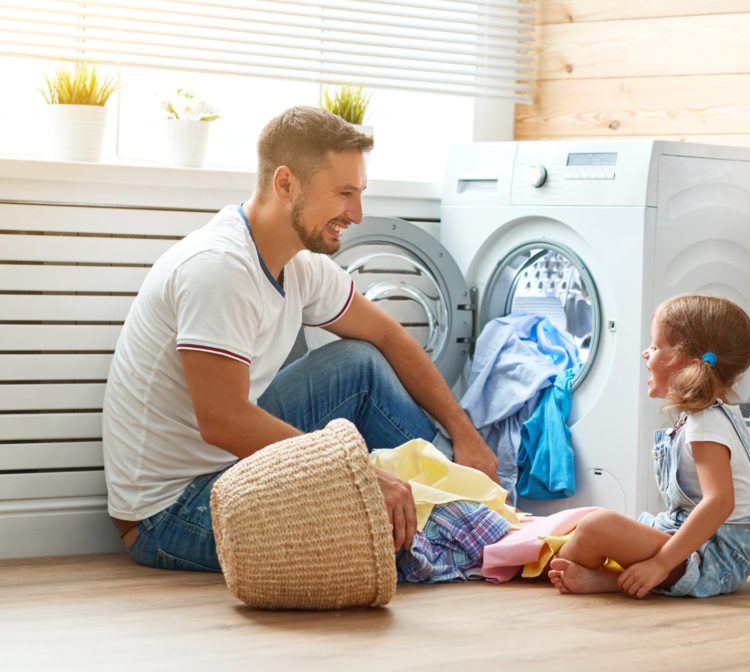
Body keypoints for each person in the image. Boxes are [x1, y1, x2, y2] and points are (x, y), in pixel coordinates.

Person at [102, 106, 498, 572]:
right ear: (285, 184)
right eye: (344, 194)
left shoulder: (299, 264)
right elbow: (224, 422)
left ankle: (470, 500)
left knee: (359, 363)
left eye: (359, 193)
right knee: (371, 529)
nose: (356, 213)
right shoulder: (219, 269)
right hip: (170, 512)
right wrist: (358, 478)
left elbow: (388, 336)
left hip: (229, 467)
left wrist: (466, 435)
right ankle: (468, 527)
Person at [547, 294, 750, 599]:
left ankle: (602, 574)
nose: (645, 354)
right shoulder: (703, 416)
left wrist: (661, 563)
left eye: (654, 346)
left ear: (685, 362)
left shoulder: (707, 422)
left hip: (716, 560)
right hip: (693, 543)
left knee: (595, 527)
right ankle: (610, 580)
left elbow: (720, 503)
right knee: (586, 524)